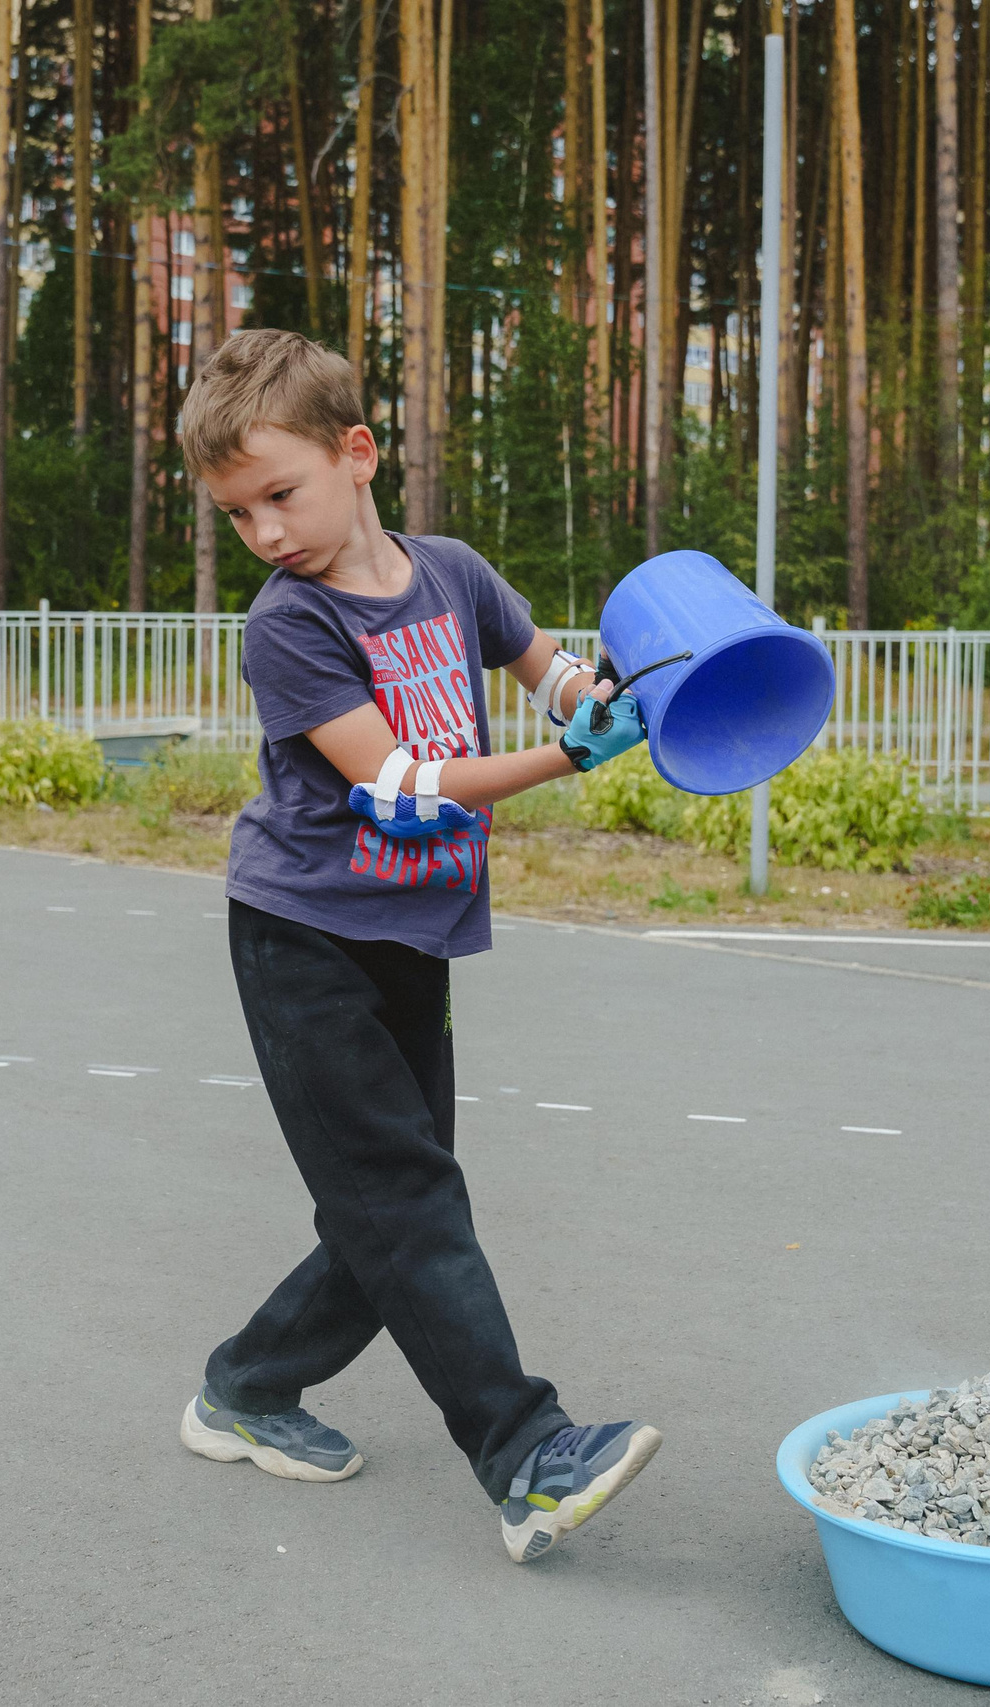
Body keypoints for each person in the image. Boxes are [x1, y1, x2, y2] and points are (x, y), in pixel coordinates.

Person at [172, 327, 662, 1565]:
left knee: (388, 1196)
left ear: (357, 452)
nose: (267, 534)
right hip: (302, 938)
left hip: (411, 933)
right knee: (401, 1192)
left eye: (279, 496)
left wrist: (611, 701)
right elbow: (398, 786)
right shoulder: (287, 626)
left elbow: (553, 675)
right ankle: (527, 1453)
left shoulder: (452, 574)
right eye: (238, 516)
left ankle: (245, 1386)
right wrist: (566, 761)